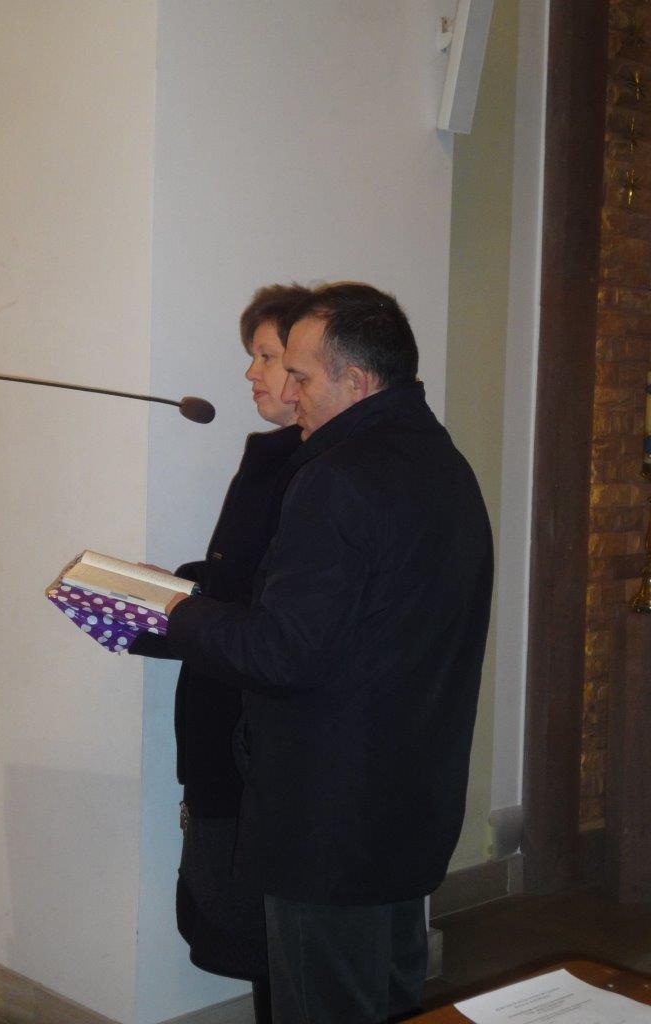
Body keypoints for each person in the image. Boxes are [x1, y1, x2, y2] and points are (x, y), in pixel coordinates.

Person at [164, 283, 494, 1024]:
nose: (289, 393)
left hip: (328, 820)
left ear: (358, 379)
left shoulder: (336, 477)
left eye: (302, 377)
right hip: (409, 800)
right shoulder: (444, 463)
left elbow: (282, 654)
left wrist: (179, 614)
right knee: (390, 1001)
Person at [130, 284, 310, 1023]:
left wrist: (181, 606)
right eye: (255, 356)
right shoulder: (272, 457)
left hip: (259, 737)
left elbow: (277, 616)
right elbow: (241, 580)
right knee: (234, 916)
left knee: (273, 939)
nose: (251, 373)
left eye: (266, 356)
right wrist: (162, 593)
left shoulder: (324, 473)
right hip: (218, 716)